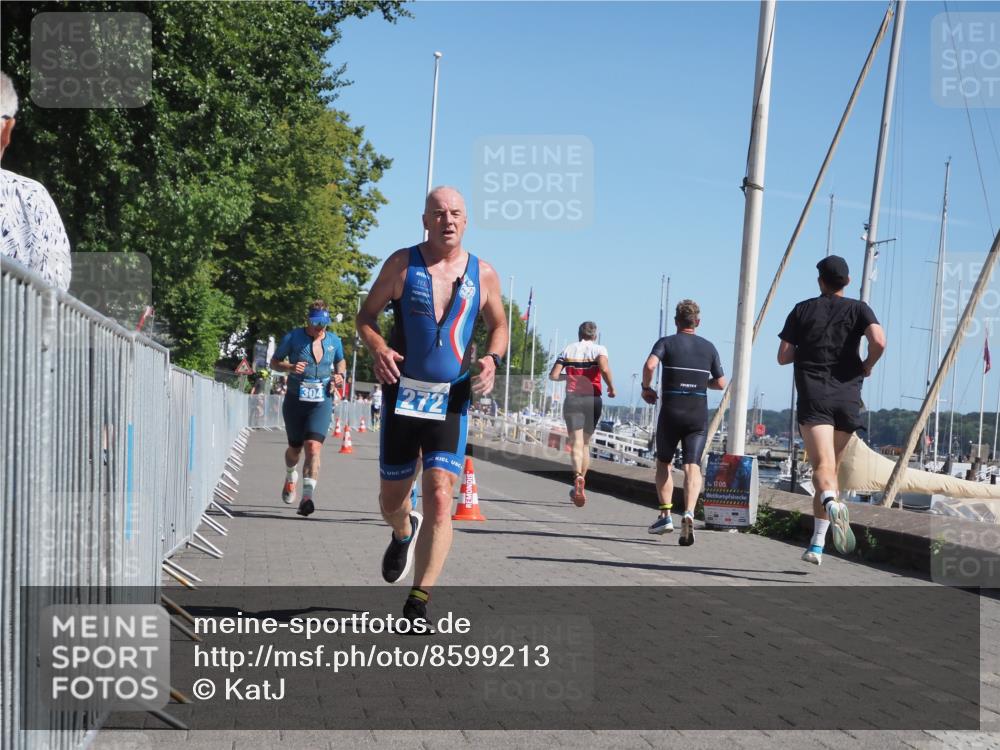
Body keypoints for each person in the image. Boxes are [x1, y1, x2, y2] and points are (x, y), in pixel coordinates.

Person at [356, 186, 507, 628]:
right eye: (439, 213)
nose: (448, 220)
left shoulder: (484, 274)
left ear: (466, 220)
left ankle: (418, 601)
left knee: (442, 496)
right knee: (392, 501)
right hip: (402, 396)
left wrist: (492, 360)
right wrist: (378, 347)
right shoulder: (402, 265)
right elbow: (365, 317)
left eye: (456, 213)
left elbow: (500, 326)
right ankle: (404, 531)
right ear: (425, 220)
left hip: (452, 398)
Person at [778, 255, 886, 565]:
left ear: (820, 281)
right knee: (831, 471)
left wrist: (807, 346)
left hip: (815, 396)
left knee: (822, 469)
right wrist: (867, 364)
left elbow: (783, 356)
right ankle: (817, 544)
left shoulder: (802, 309)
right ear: (847, 281)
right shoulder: (859, 309)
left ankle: (831, 504)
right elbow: (879, 341)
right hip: (847, 397)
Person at [641, 300, 726, 545]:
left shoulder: (666, 342)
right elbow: (721, 383)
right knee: (692, 466)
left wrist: (646, 387)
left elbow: (650, 365)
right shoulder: (709, 347)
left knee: (664, 463)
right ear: (697, 322)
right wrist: (702, 383)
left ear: (676, 321)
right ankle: (688, 512)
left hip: (671, 411)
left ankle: (665, 515)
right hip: (696, 414)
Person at [270, 300, 347, 517]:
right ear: (308, 320)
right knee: (295, 450)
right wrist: (290, 367)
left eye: (323, 323)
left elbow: (341, 361)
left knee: (313, 448)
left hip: (322, 401)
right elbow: (274, 362)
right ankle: (290, 475)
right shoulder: (293, 337)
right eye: (315, 323)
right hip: (295, 401)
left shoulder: (334, 341)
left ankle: (307, 498)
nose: (319, 327)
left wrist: (340, 375)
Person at [0, 71, 71, 291]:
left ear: (6, 129)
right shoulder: (30, 200)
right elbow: (52, 294)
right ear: (7, 131)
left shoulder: (31, 198)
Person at [549, 322, 616, 506]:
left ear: (579, 334)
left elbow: (553, 375)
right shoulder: (599, 349)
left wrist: (569, 377)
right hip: (593, 399)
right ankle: (581, 482)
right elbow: (604, 368)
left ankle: (577, 476)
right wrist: (611, 387)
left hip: (573, 399)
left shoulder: (568, 350)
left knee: (576, 443)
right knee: (585, 443)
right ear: (595, 335)